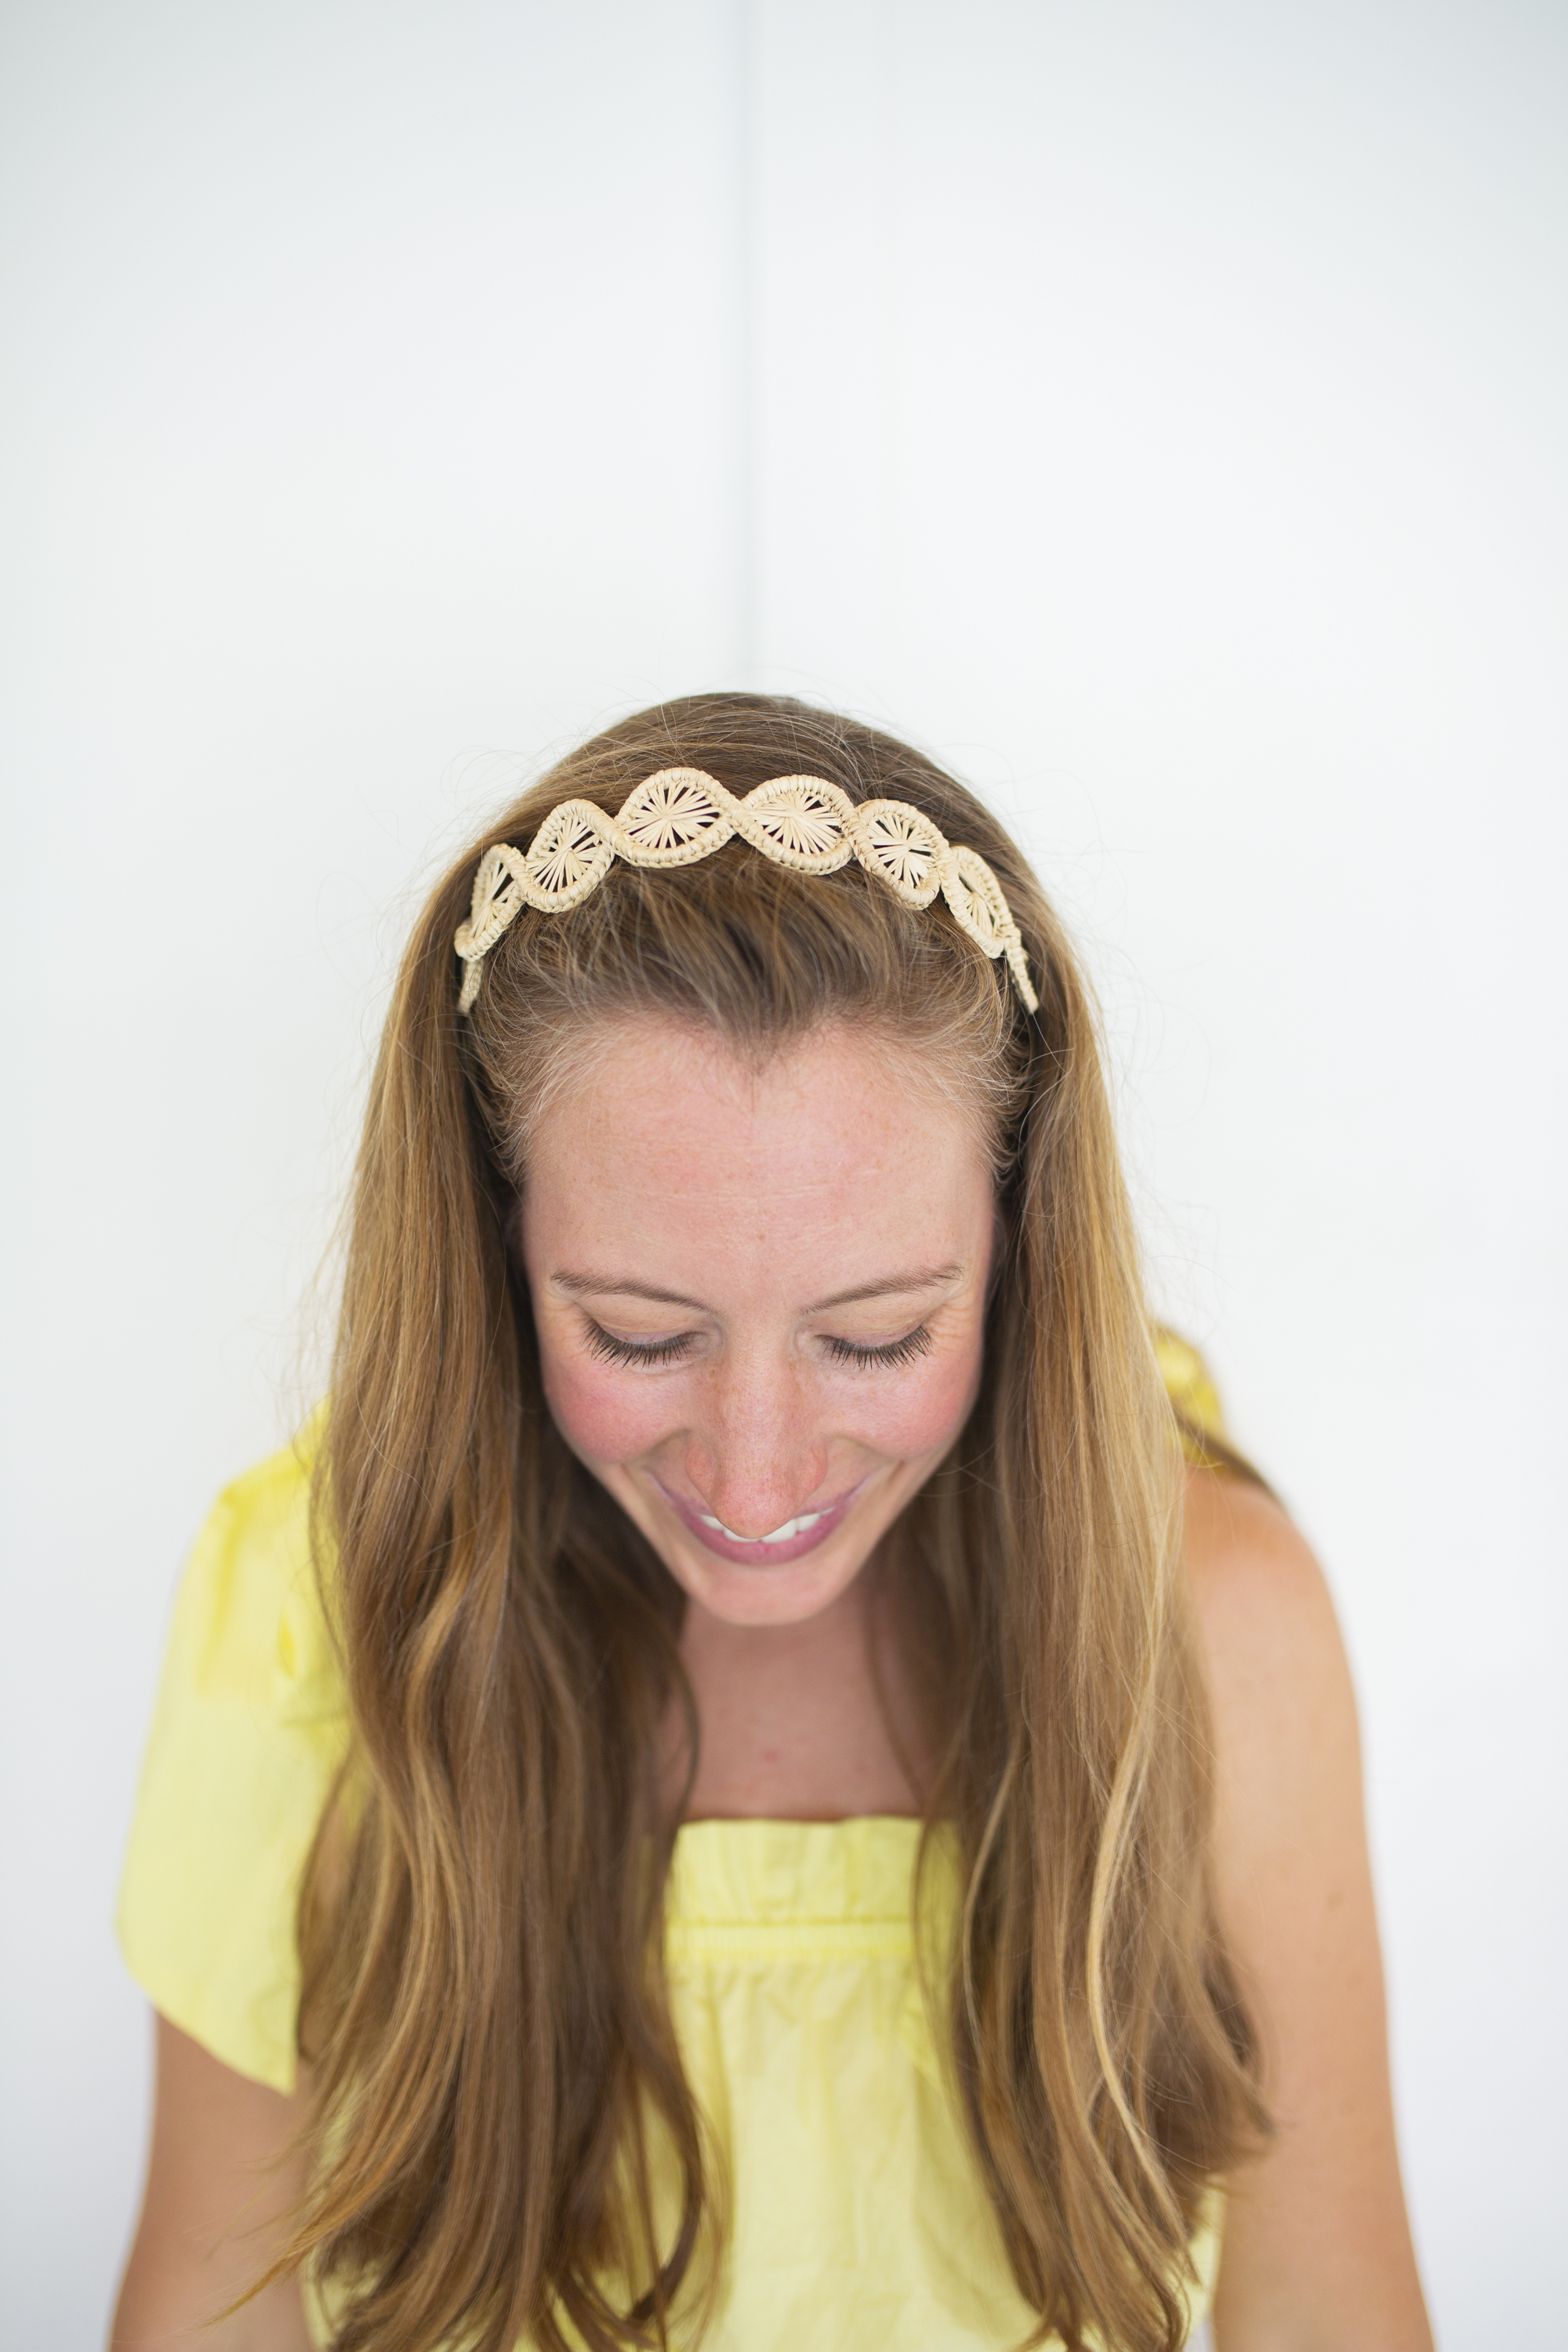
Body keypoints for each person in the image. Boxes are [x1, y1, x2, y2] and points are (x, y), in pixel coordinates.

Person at [110, 694, 1432, 2352]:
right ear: (495, 1244)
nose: (753, 1483)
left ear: (1021, 1242)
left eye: (874, 1338)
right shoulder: (309, 1618)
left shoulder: (1215, 1627)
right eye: (640, 1335)